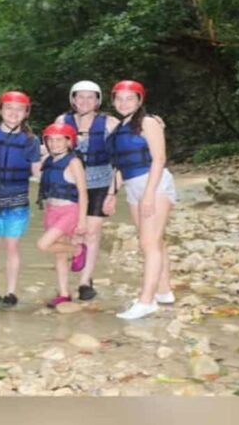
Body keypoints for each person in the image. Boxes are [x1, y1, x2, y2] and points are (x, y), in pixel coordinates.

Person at [103, 80, 177, 320]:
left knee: (149, 242)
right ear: (113, 101)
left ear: (139, 100)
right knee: (155, 240)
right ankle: (164, 291)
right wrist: (111, 194)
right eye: (119, 98)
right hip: (133, 186)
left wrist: (148, 194)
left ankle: (147, 301)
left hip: (153, 183)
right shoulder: (118, 129)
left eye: (130, 98)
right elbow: (120, 166)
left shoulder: (148, 122)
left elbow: (159, 158)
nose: (124, 102)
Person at [54, 80, 117, 301]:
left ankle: (84, 281)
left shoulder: (110, 123)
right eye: (80, 97)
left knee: (92, 231)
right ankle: (73, 263)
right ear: (73, 99)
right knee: (71, 233)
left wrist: (113, 192)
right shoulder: (63, 121)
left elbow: (123, 153)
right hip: (69, 183)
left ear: (98, 100)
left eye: (90, 97)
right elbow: (53, 149)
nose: (84, 101)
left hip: (100, 181)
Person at [0, 91, 42, 307]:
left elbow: (36, 171)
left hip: (16, 201)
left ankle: (11, 291)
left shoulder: (31, 140)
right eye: (9, 108)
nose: (14, 113)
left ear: (26, 113)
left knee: (12, 247)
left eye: (19, 109)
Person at [35, 123, 88, 307]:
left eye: (59, 139)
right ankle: (64, 293)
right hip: (52, 209)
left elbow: (83, 192)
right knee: (59, 255)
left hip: (69, 211)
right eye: (50, 139)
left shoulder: (74, 162)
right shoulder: (48, 161)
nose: (54, 143)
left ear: (69, 142)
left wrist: (82, 221)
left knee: (43, 245)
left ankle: (78, 250)